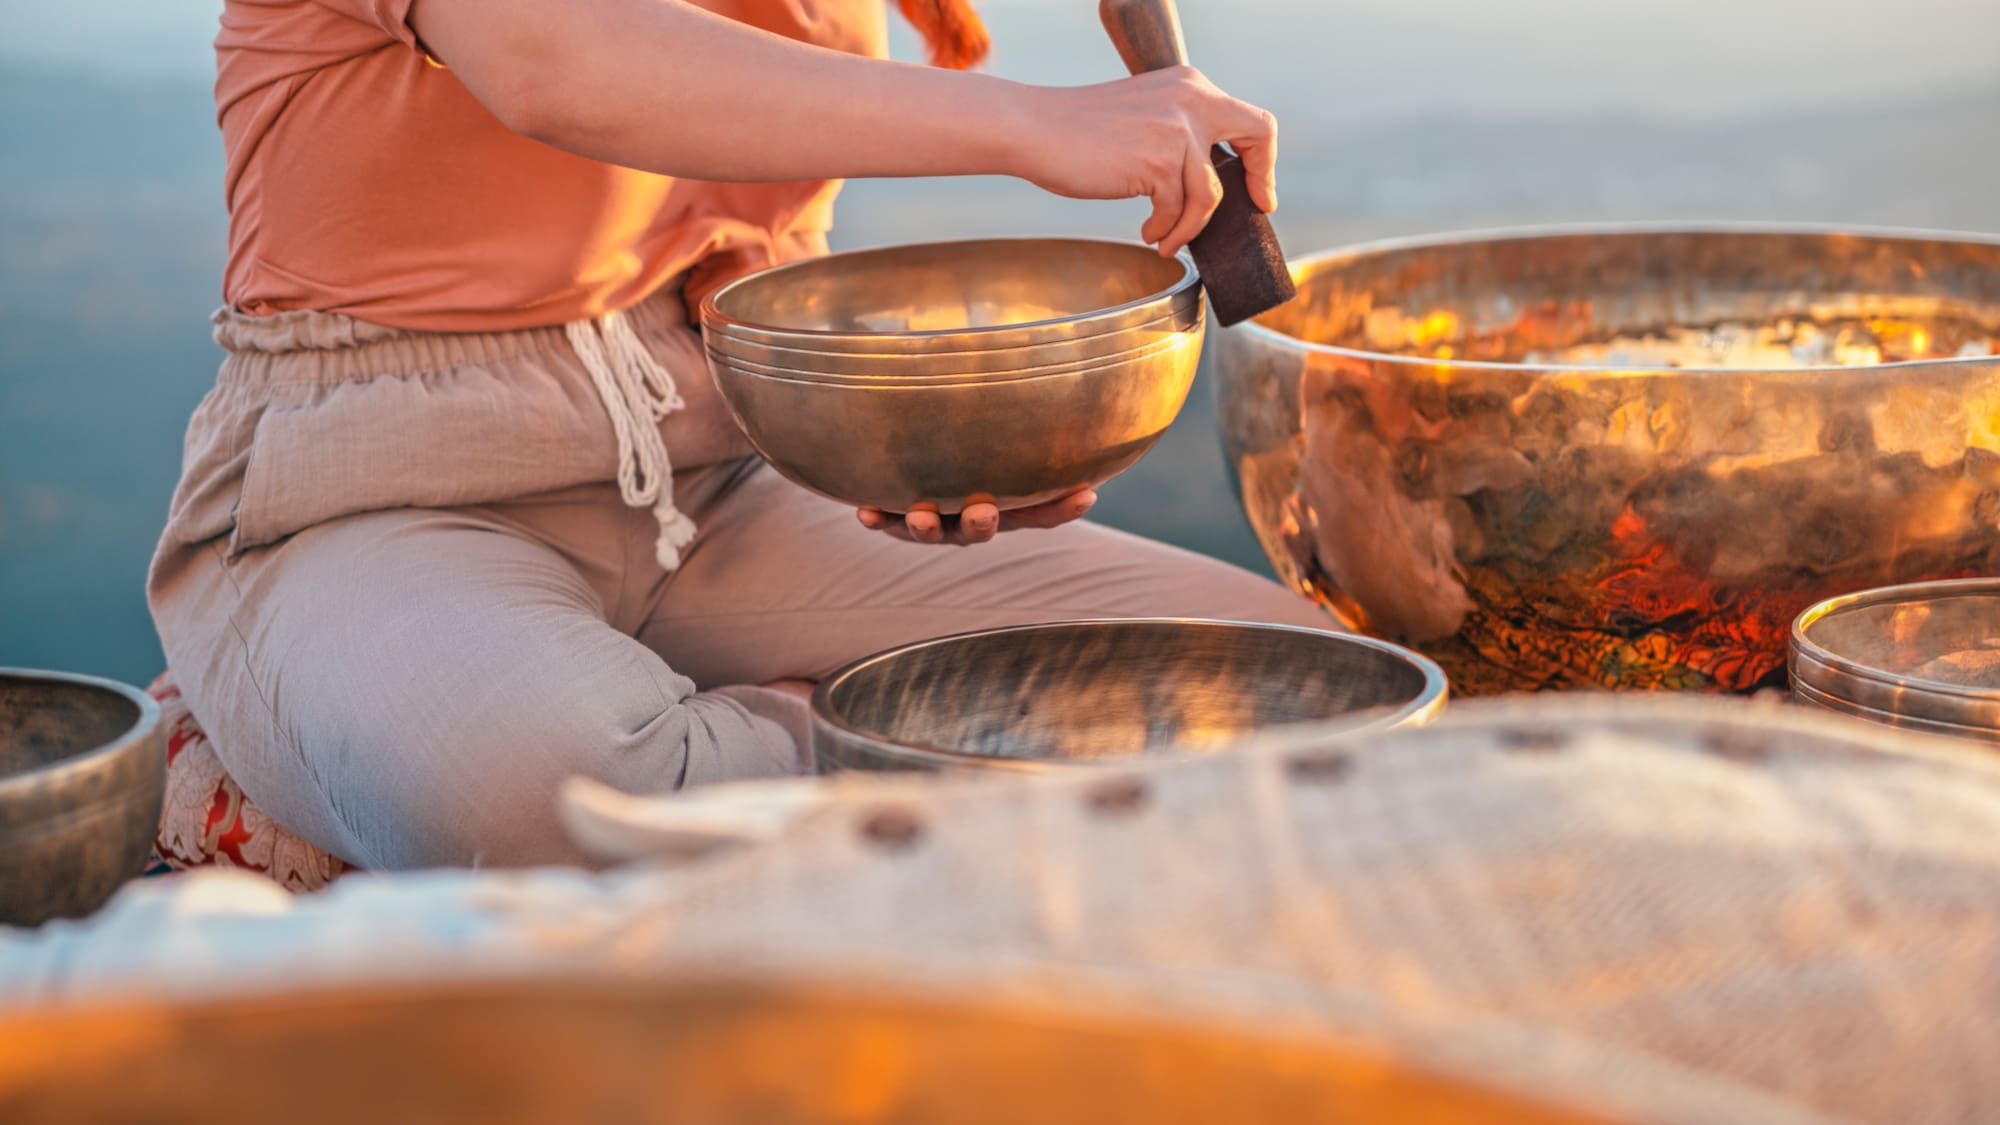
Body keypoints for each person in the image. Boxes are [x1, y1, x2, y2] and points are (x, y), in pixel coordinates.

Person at [150, 0, 1330, 870]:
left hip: (730, 482)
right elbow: (551, 57)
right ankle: (892, 726)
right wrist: (1029, 123)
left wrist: (897, 444)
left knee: (1298, 687)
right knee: (555, 801)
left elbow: (745, 256)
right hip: (381, 499)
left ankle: (810, 732)